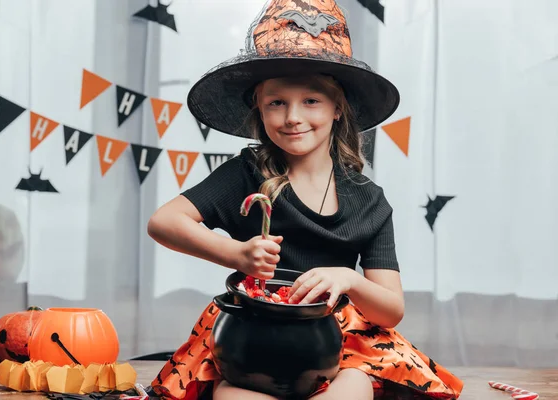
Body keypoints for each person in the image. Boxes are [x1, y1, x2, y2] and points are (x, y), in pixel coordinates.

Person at [146, 0, 464, 399]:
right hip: (253, 335)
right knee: (231, 393)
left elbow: (390, 309)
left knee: (355, 383)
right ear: (259, 112)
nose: (293, 116)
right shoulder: (246, 174)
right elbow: (164, 222)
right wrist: (238, 255)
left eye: (311, 100)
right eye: (276, 102)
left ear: (337, 109)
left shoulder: (369, 200)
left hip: (337, 340)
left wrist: (348, 278)